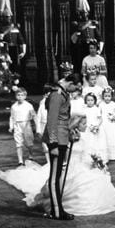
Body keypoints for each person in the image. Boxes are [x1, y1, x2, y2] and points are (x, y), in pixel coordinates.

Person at [0, 115, 115, 216]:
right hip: (70, 166)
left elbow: (87, 152)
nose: (86, 126)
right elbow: (64, 155)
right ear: (77, 125)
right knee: (70, 183)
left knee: (96, 179)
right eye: (83, 124)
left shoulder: (84, 137)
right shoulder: (68, 138)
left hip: (83, 164)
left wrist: (95, 161)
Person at [41, 72, 81, 220]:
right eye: (75, 88)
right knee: (54, 177)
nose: (74, 91)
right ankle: (56, 211)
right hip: (56, 139)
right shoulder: (57, 95)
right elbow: (52, 120)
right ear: (70, 83)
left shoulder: (62, 93)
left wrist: (70, 132)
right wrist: (53, 143)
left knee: (57, 176)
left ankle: (58, 208)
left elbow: (63, 118)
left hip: (62, 137)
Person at [9, 87, 37, 166]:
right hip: (17, 125)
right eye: (18, 95)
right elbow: (12, 117)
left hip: (26, 124)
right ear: (15, 96)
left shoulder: (29, 105)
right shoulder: (14, 106)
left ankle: (31, 155)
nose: (20, 97)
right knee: (18, 143)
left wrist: (37, 125)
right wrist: (11, 126)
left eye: (22, 95)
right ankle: (20, 160)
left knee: (29, 143)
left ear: (25, 96)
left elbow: (34, 115)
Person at [83, 92, 109, 163]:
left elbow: (100, 119)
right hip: (87, 127)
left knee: (96, 142)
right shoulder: (84, 109)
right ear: (85, 101)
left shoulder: (96, 109)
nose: (90, 102)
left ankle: (98, 158)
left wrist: (97, 125)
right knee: (88, 142)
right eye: (88, 100)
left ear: (94, 101)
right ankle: (88, 158)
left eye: (92, 100)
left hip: (95, 127)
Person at [36, 84, 53, 166]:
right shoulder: (42, 104)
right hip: (43, 125)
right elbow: (38, 117)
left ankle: (53, 161)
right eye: (46, 94)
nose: (47, 95)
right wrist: (38, 130)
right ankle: (48, 162)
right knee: (45, 146)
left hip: (52, 126)